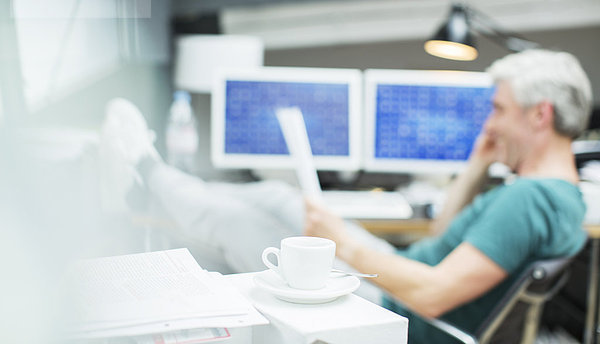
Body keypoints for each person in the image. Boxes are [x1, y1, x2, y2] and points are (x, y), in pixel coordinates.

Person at [100, 49, 591, 343]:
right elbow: (444, 239)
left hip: (398, 309)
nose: (489, 121)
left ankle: (146, 168)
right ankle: (155, 186)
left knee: (242, 225)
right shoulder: (560, 195)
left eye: (498, 109)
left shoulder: (529, 201)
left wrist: (341, 241)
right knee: (277, 197)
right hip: (401, 272)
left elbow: (435, 295)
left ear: (539, 116)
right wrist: (478, 164)